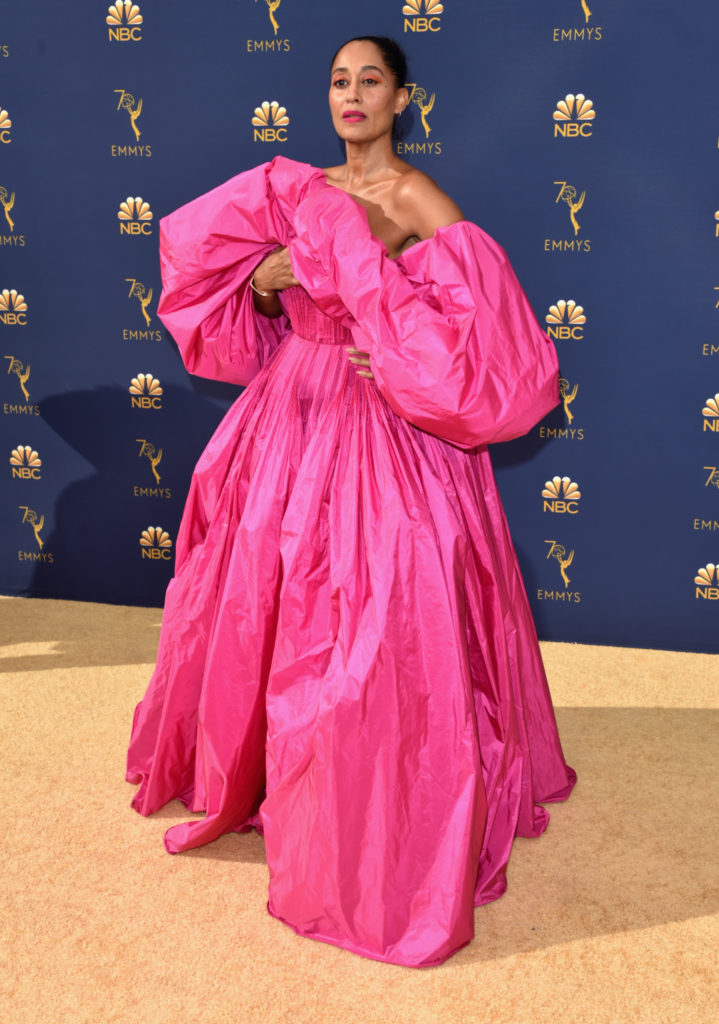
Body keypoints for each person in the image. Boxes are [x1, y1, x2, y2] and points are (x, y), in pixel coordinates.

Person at [127, 36, 576, 968]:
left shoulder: (416, 199)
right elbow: (242, 305)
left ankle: (354, 791)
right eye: (338, 80)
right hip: (286, 411)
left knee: (368, 621)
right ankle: (256, 771)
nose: (352, 94)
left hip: (379, 433)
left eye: (371, 80)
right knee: (259, 592)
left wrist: (401, 358)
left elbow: (487, 335)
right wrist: (264, 282)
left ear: (402, 98)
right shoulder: (292, 194)